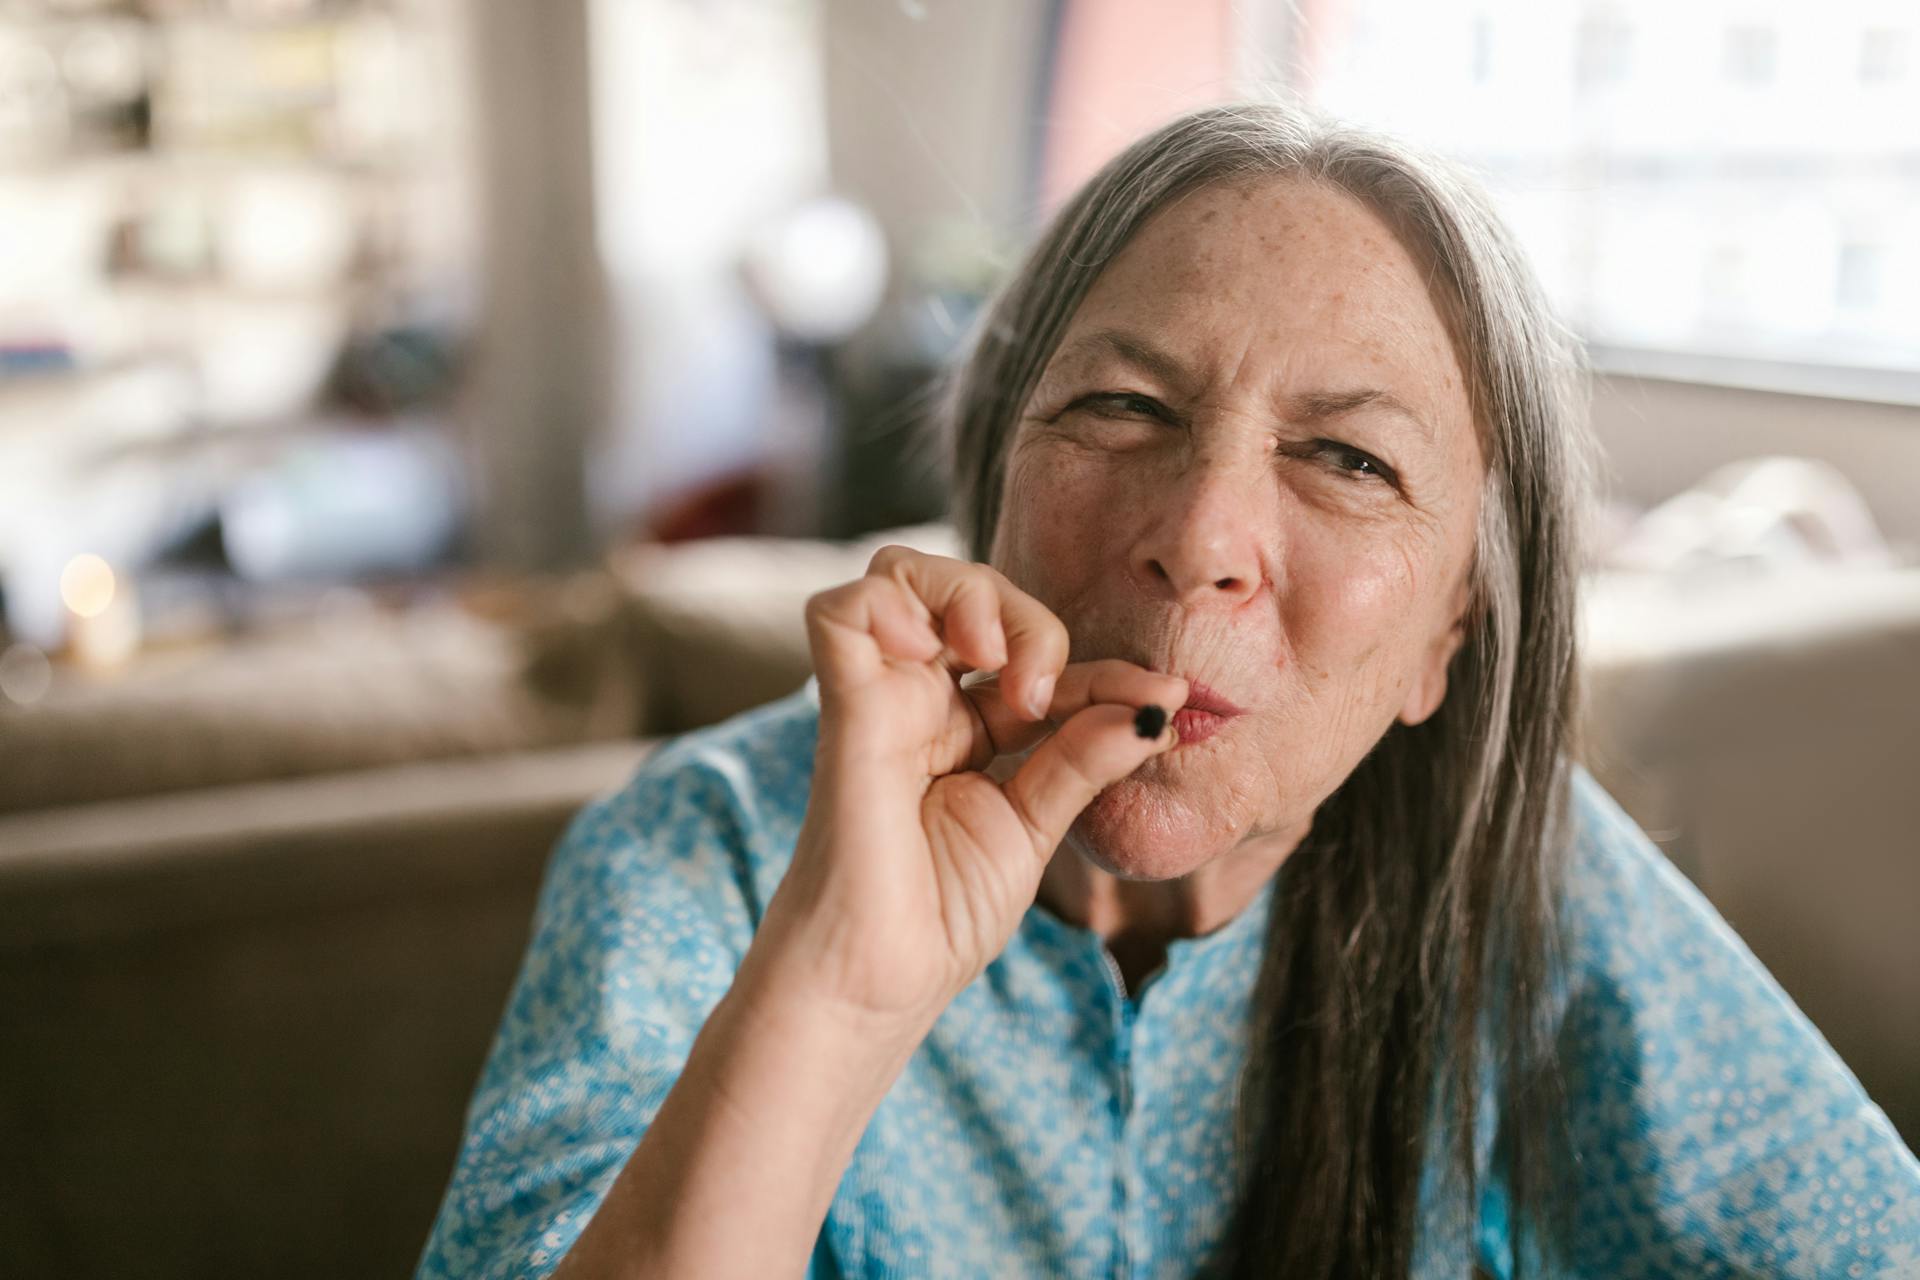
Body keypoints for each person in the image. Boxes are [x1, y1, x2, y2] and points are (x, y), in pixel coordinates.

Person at [416, 103, 1920, 1279]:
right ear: (993, 485)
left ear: (1446, 644)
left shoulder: (1524, 881)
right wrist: (833, 996)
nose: (1200, 539)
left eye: (1349, 459)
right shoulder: (699, 854)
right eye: (1123, 407)